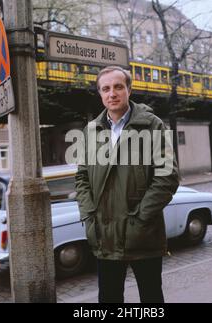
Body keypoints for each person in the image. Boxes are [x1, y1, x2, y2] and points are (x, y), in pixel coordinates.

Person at [75, 66, 179, 303]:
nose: (112, 93)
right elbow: (81, 177)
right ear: (100, 94)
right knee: (109, 299)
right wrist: (89, 214)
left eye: (118, 87)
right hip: (104, 235)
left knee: (151, 298)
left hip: (142, 235)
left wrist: (140, 219)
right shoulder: (90, 131)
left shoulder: (152, 125)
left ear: (129, 90)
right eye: (106, 88)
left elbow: (167, 177)